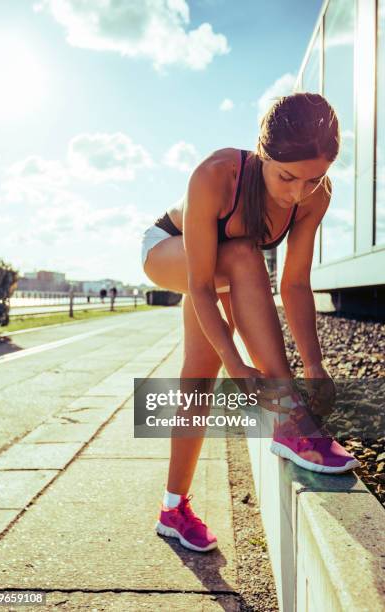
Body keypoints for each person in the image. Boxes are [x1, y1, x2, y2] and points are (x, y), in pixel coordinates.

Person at [140, 93, 361, 553]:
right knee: (242, 254)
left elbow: (296, 284)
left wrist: (315, 365)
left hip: (224, 269)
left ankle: (172, 509)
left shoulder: (313, 195)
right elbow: (200, 285)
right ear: (262, 153)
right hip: (169, 249)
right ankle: (288, 417)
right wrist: (237, 362)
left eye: (313, 178)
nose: (298, 192)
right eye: (287, 176)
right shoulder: (217, 174)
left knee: (198, 379)